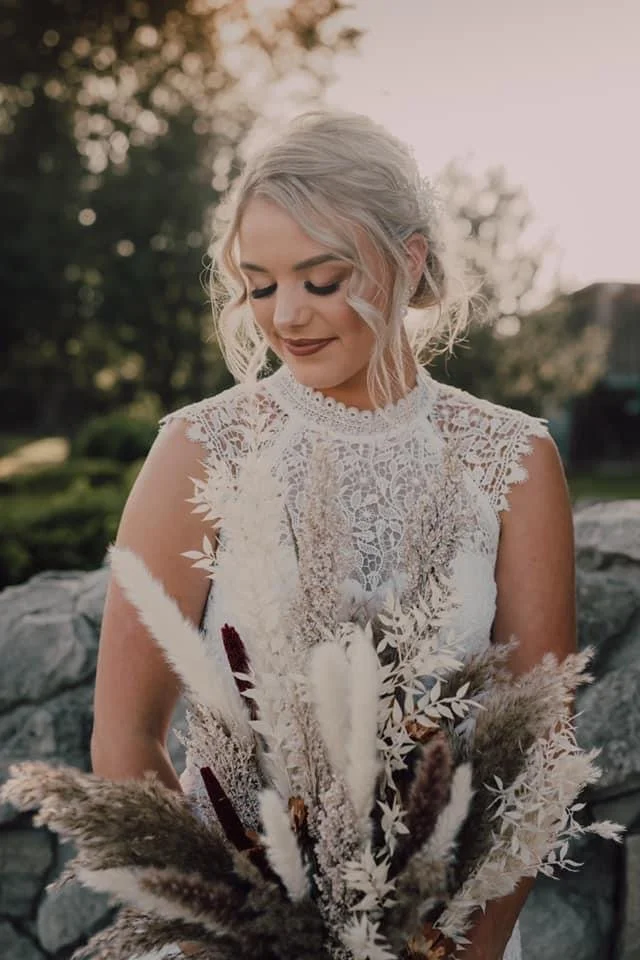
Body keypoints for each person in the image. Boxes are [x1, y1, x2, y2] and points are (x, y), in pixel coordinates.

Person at [90, 110, 576, 960]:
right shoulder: (201, 449)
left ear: (409, 261)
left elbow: (536, 749)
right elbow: (125, 739)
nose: (287, 316)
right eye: (260, 284)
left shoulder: (513, 460)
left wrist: (465, 947)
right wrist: (230, 931)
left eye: (320, 280)